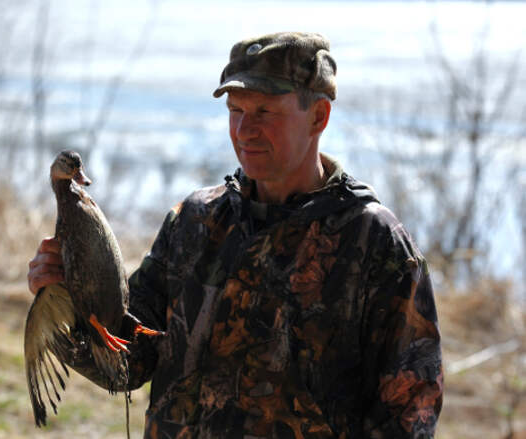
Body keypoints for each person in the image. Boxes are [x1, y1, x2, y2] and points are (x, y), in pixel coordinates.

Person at [28, 32, 443, 438]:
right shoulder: (194, 221)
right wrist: (68, 305)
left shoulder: (376, 245)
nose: (245, 129)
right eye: (235, 110)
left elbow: (408, 414)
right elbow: (127, 363)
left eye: (265, 111)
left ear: (318, 116)